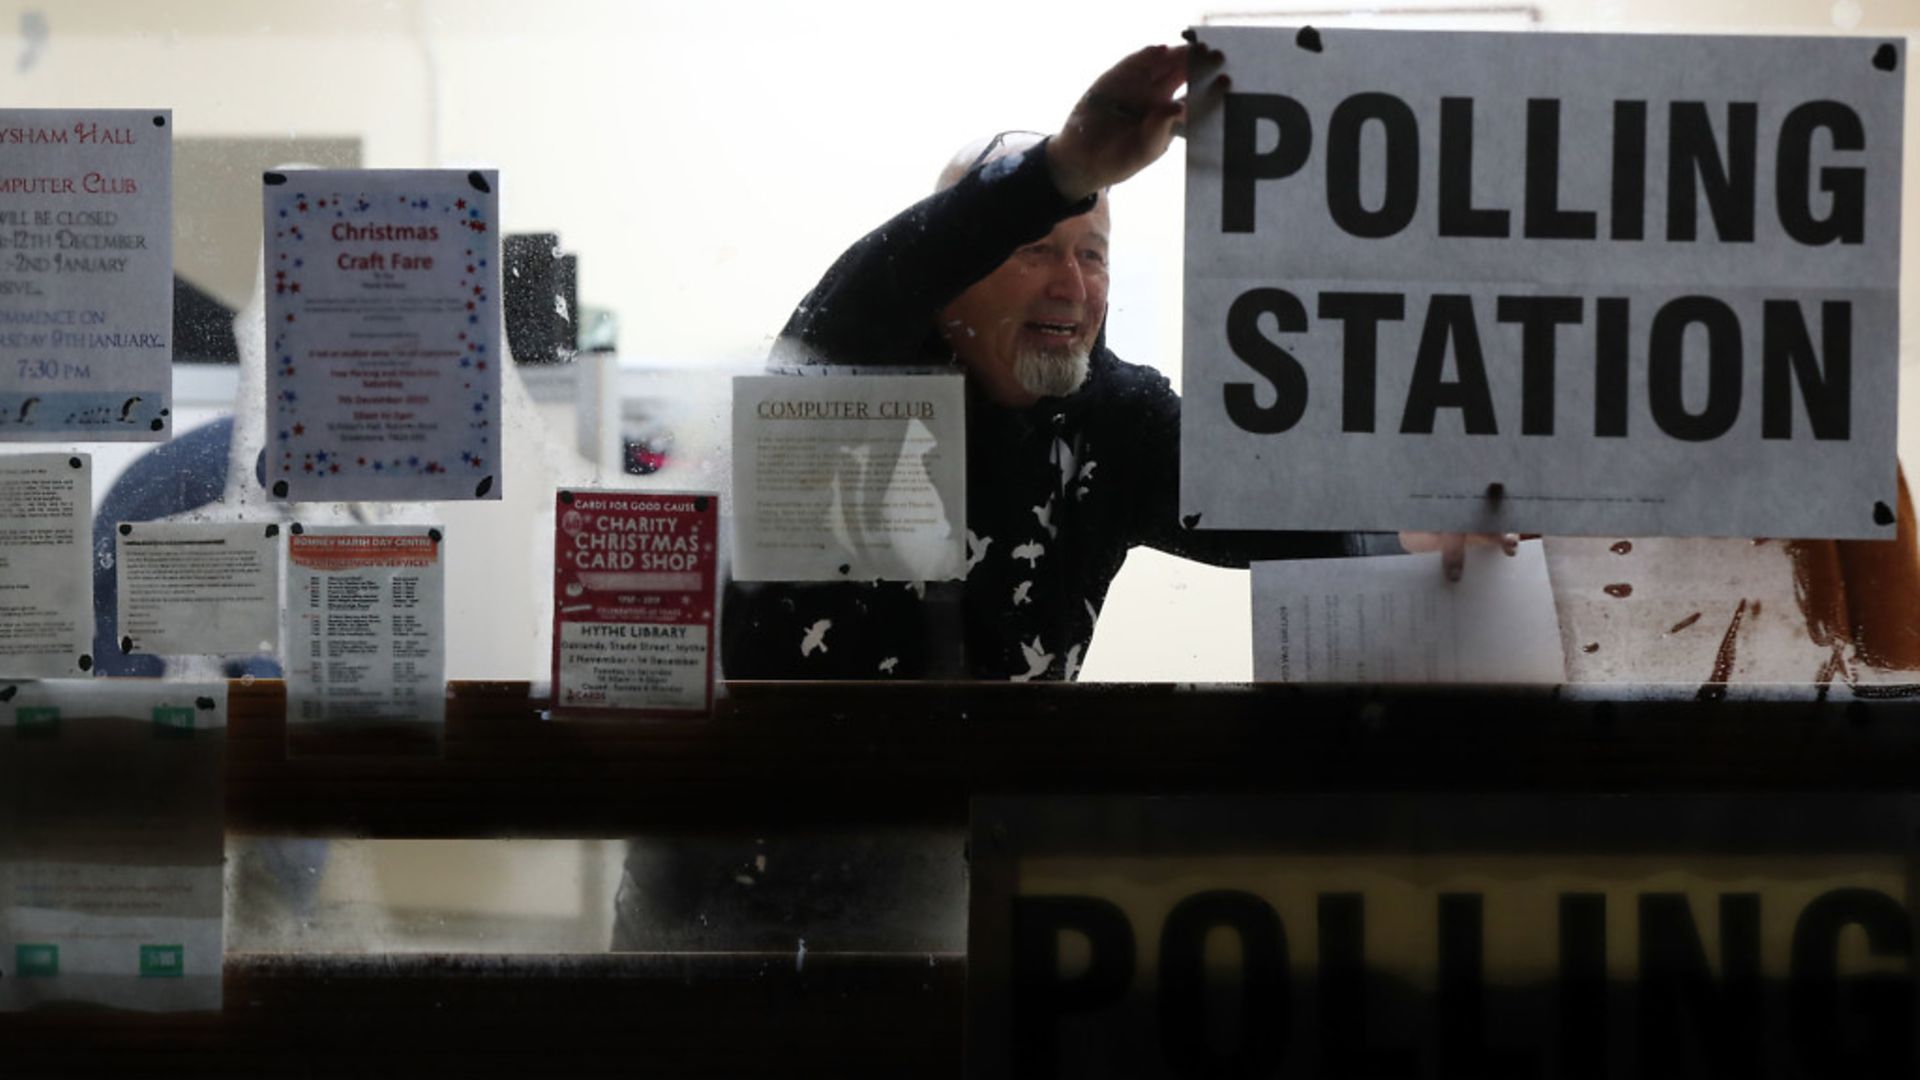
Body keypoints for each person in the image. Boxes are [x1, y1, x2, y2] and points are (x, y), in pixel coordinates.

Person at [721, 42, 1501, 682]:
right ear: (952, 272)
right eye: (1034, 250)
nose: (1072, 285)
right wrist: (1060, 173)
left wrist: (1417, 520)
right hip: (749, 836)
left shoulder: (1115, 420)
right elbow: (879, 285)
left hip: (973, 852)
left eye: (1093, 255)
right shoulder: (854, 376)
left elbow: (1285, 505)